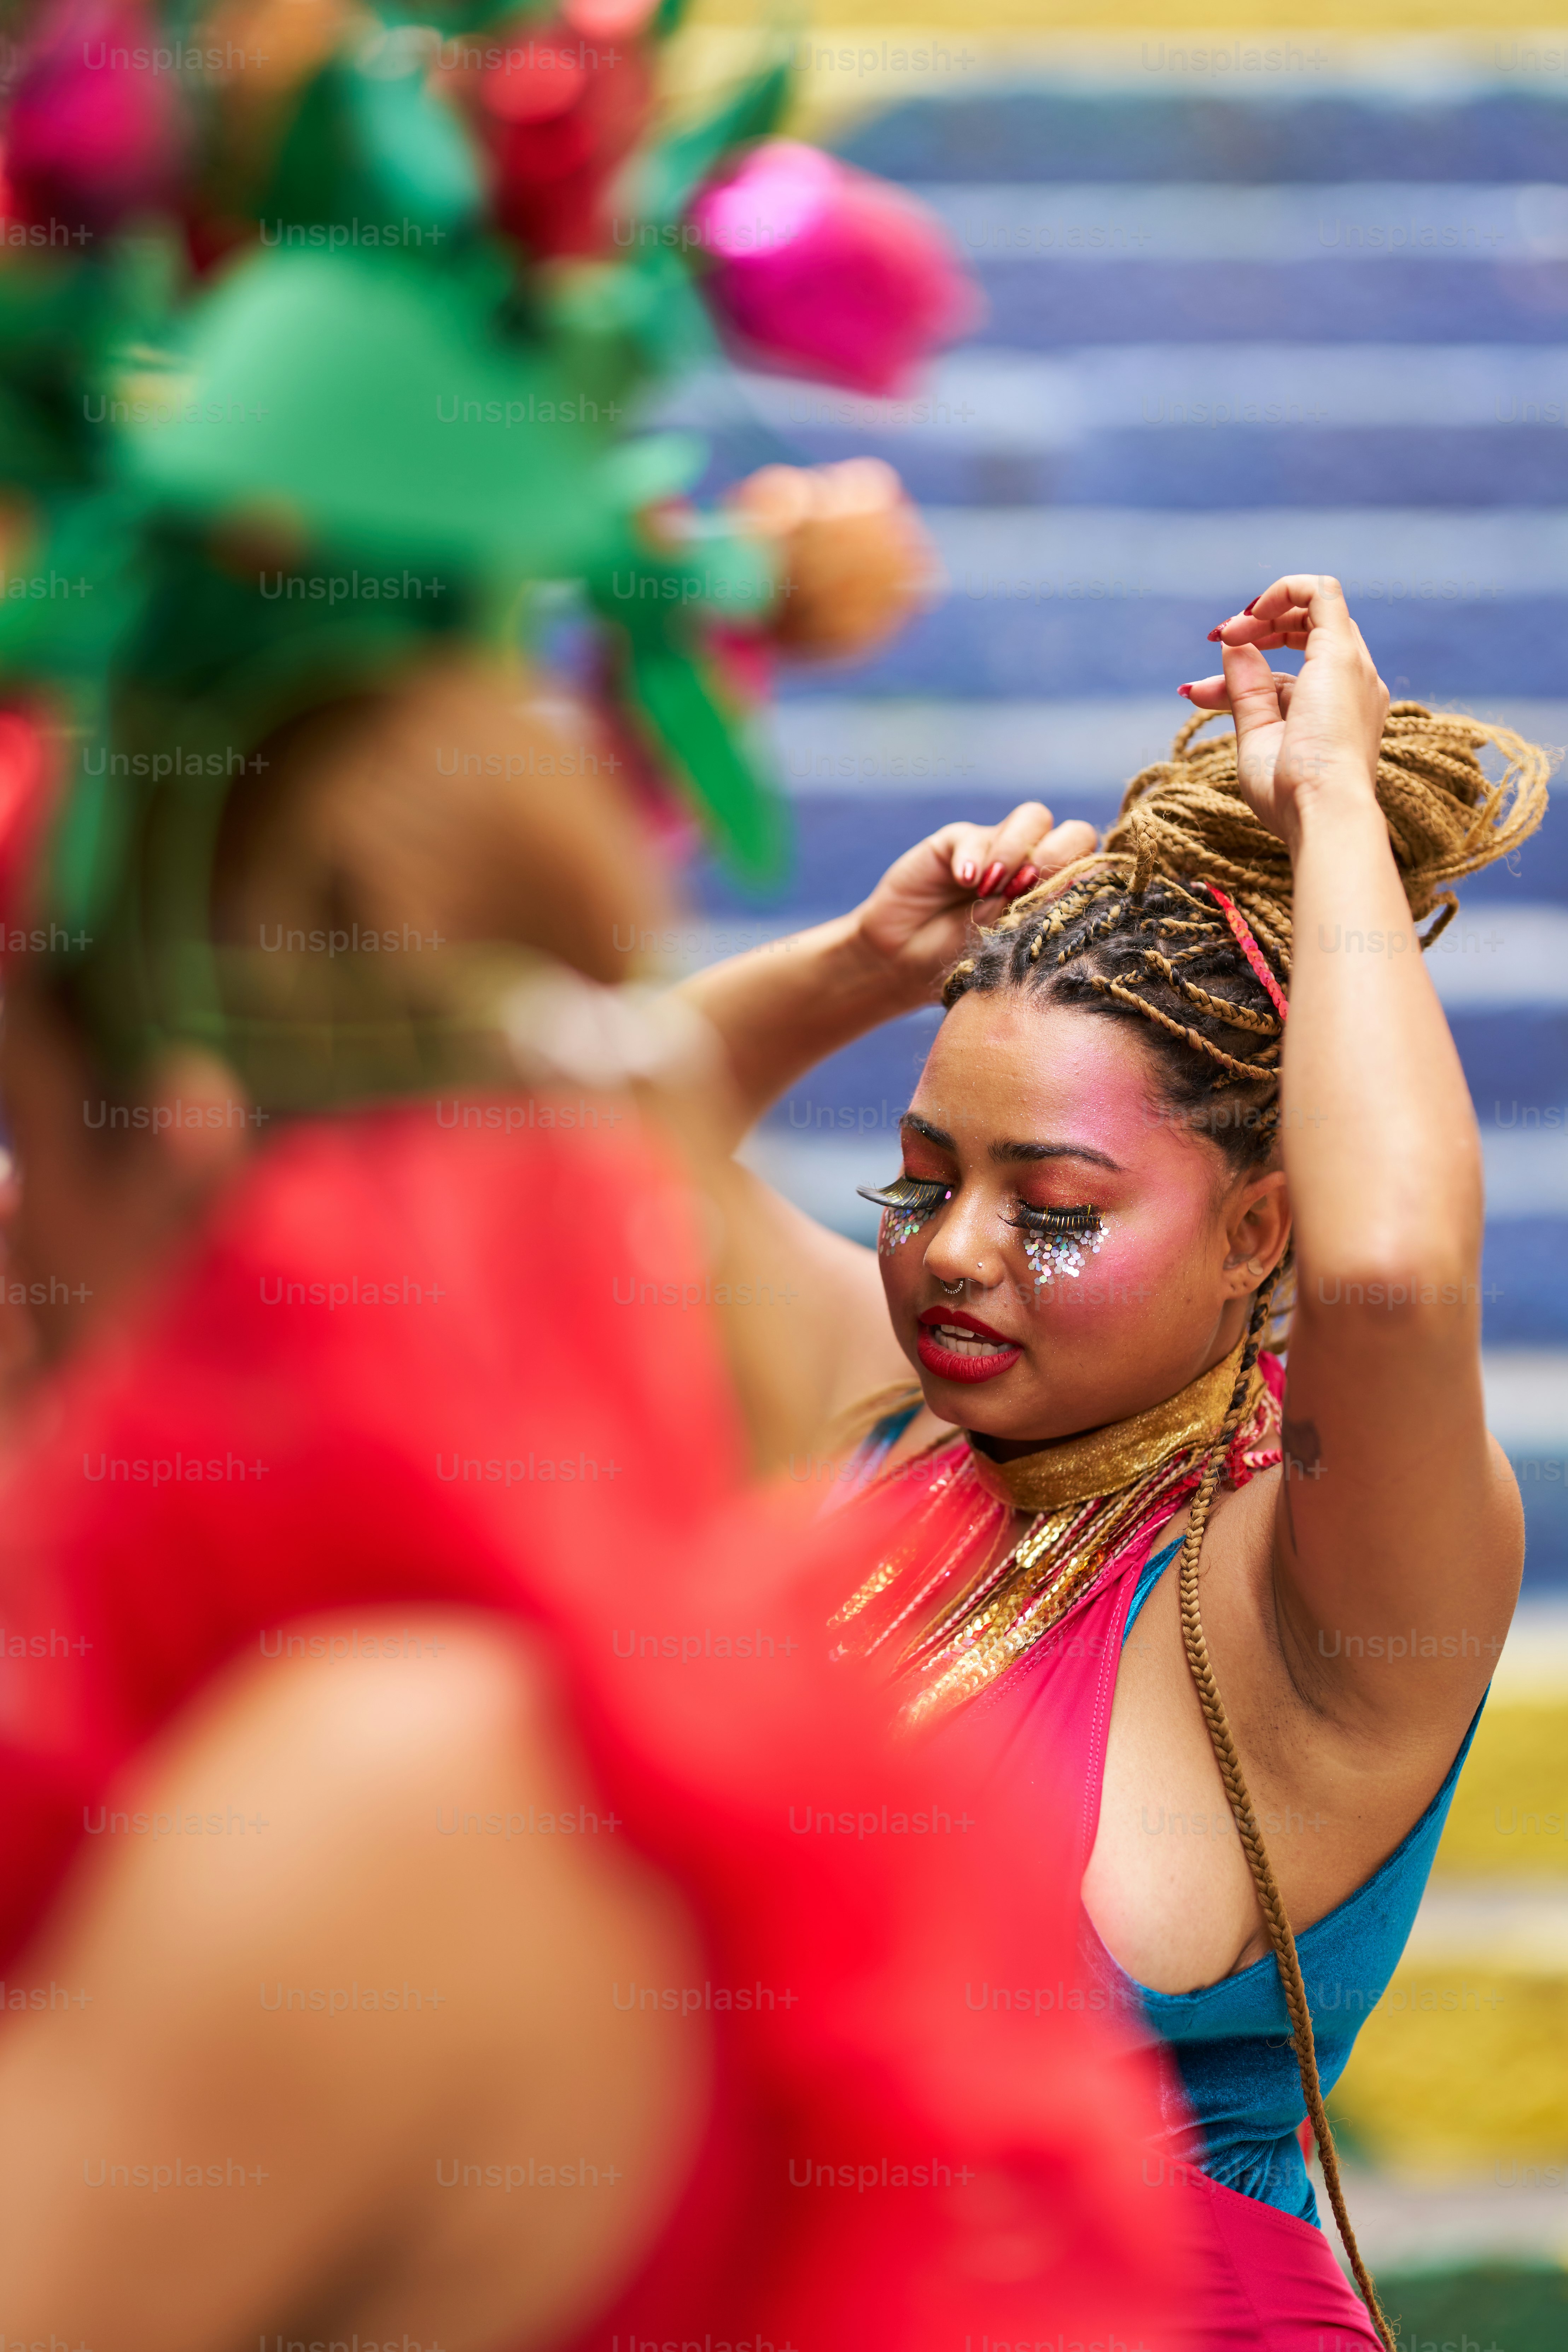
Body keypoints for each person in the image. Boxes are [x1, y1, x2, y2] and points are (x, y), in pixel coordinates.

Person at [679, 576, 1551, 2349]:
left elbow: (1388, 1272)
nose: (953, 1251)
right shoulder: (892, 1422)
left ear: (1254, 1231)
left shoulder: (1299, 1594)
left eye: (1052, 1205)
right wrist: (863, 965)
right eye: (921, 1174)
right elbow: (564, 1145)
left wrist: (1328, 822)